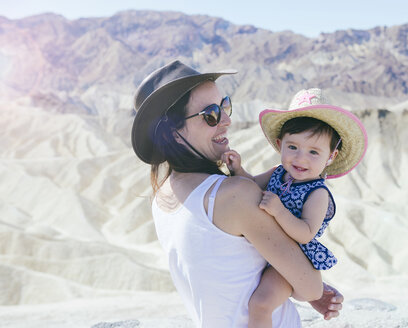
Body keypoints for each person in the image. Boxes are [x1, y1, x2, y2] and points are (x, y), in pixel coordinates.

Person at [131, 60, 344, 328]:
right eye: (210, 114)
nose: (227, 120)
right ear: (173, 133)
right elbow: (312, 287)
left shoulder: (163, 196)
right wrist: (301, 284)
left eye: (225, 106)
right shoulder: (235, 195)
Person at [222, 88, 368, 327]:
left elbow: (305, 232)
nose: (300, 159)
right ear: (280, 144)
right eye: (293, 147)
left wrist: (279, 211)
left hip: (292, 261)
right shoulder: (278, 173)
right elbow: (251, 188)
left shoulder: (318, 193)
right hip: (270, 250)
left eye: (313, 152)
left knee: (260, 304)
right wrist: (238, 170)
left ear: (331, 156)